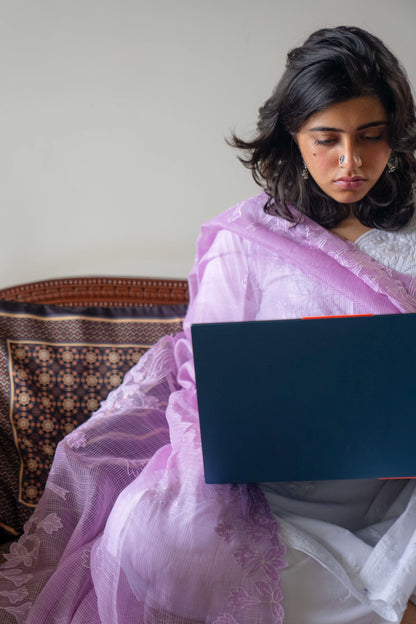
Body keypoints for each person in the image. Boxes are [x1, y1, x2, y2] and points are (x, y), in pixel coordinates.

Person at [1, 25, 416, 624]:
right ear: (293, 138)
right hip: (269, 502)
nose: (350, 161)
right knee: (145, 536)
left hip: (392, 493)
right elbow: (204, 384)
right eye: (327, 139)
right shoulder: (244, 241)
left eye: (371, 138)